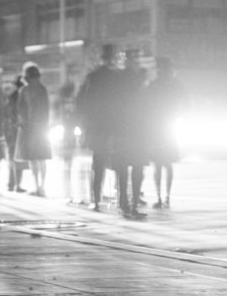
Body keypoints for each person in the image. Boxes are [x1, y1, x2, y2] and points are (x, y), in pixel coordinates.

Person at [76, 44, 121, 211]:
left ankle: (96, 199)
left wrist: (85, 120)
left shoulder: (93, 76)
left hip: (97, 125)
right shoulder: (117, 77)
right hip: (115, 125)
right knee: (118, 161)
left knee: (99, 162)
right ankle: (120, 197)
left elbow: (81, 100)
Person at [145, 57, 188, 209]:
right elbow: (186, 103)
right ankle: (164, 196)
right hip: (164, 125)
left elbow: (147, 104)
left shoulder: (157, 85)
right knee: (164, 163)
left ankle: (163, 196)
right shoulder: (172, 84)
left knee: (162, 163)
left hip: (161, 126)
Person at [115, 48, 149, 217]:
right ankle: (125, 202)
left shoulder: (139, 77)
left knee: (136, 167)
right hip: (128, 127)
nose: (134, 61)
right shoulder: (124, 78)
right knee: (126, 167)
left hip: (136, 127)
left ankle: (131, 203)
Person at [14, 63, 51, 196]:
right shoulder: (24, 91)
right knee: (33, 158)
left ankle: (42, 185)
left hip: (40, 127)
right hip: (30, 128)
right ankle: (37, 185)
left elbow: (46, 109)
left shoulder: (42, 90)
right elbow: (20, 109)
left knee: (41, 157)